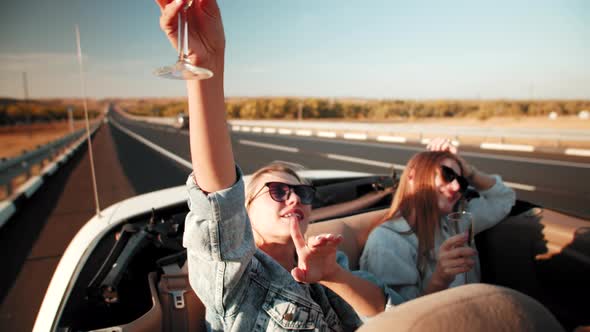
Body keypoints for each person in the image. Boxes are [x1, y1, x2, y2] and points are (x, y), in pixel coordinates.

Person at [154, 0, 402, 330]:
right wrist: (207, 66)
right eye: (279, 191)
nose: (296, 199)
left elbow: (383, 314)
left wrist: (334, 275)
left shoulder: (327, 260)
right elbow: (217, 202)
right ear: (246, 208)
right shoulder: (237, 280)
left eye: (302, 193)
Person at [359, 137, 516, 302]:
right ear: (412, 176)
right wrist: (439, 280)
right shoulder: (387, 242)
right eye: (447, 175)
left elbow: (503, 199)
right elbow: (398, 318)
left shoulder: (455, 222)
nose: (456, 187)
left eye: (462, 182)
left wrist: (470, 171)